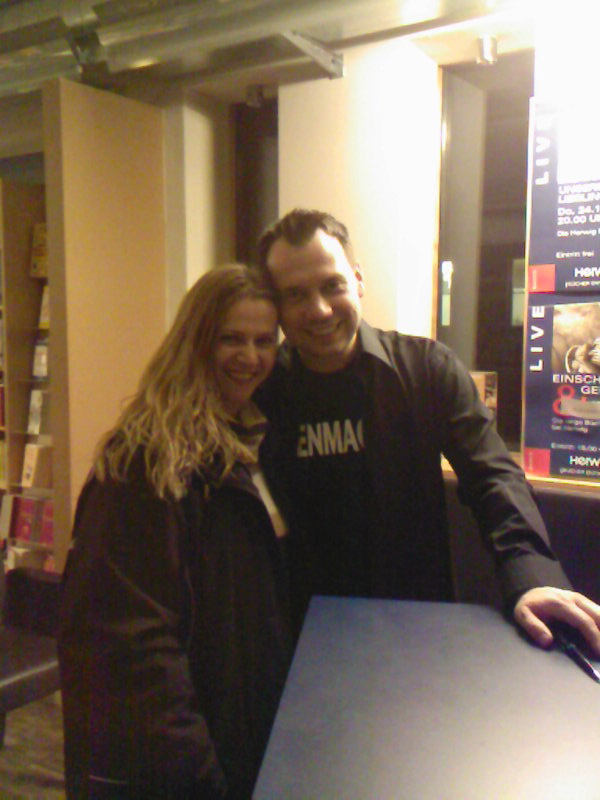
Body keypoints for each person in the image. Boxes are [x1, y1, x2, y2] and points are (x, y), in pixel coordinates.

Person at [255, 207, 600, 655]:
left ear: (357, 280)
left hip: (418, 628)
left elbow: (494, 478)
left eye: (332, 285)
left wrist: (531, 576)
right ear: (276, 307)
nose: (319, 309)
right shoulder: (260, 392)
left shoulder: (427, 369)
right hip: (300, 636)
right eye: (296, 294)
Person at [58, 264, 292, 799]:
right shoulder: (147, 461)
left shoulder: (252, 440)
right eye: (231, 339)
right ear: (196, 341)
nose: (250, 357)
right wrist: (200, 776)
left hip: (238, 730)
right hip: (184, 762)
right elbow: (132, 648)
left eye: (263, 341)